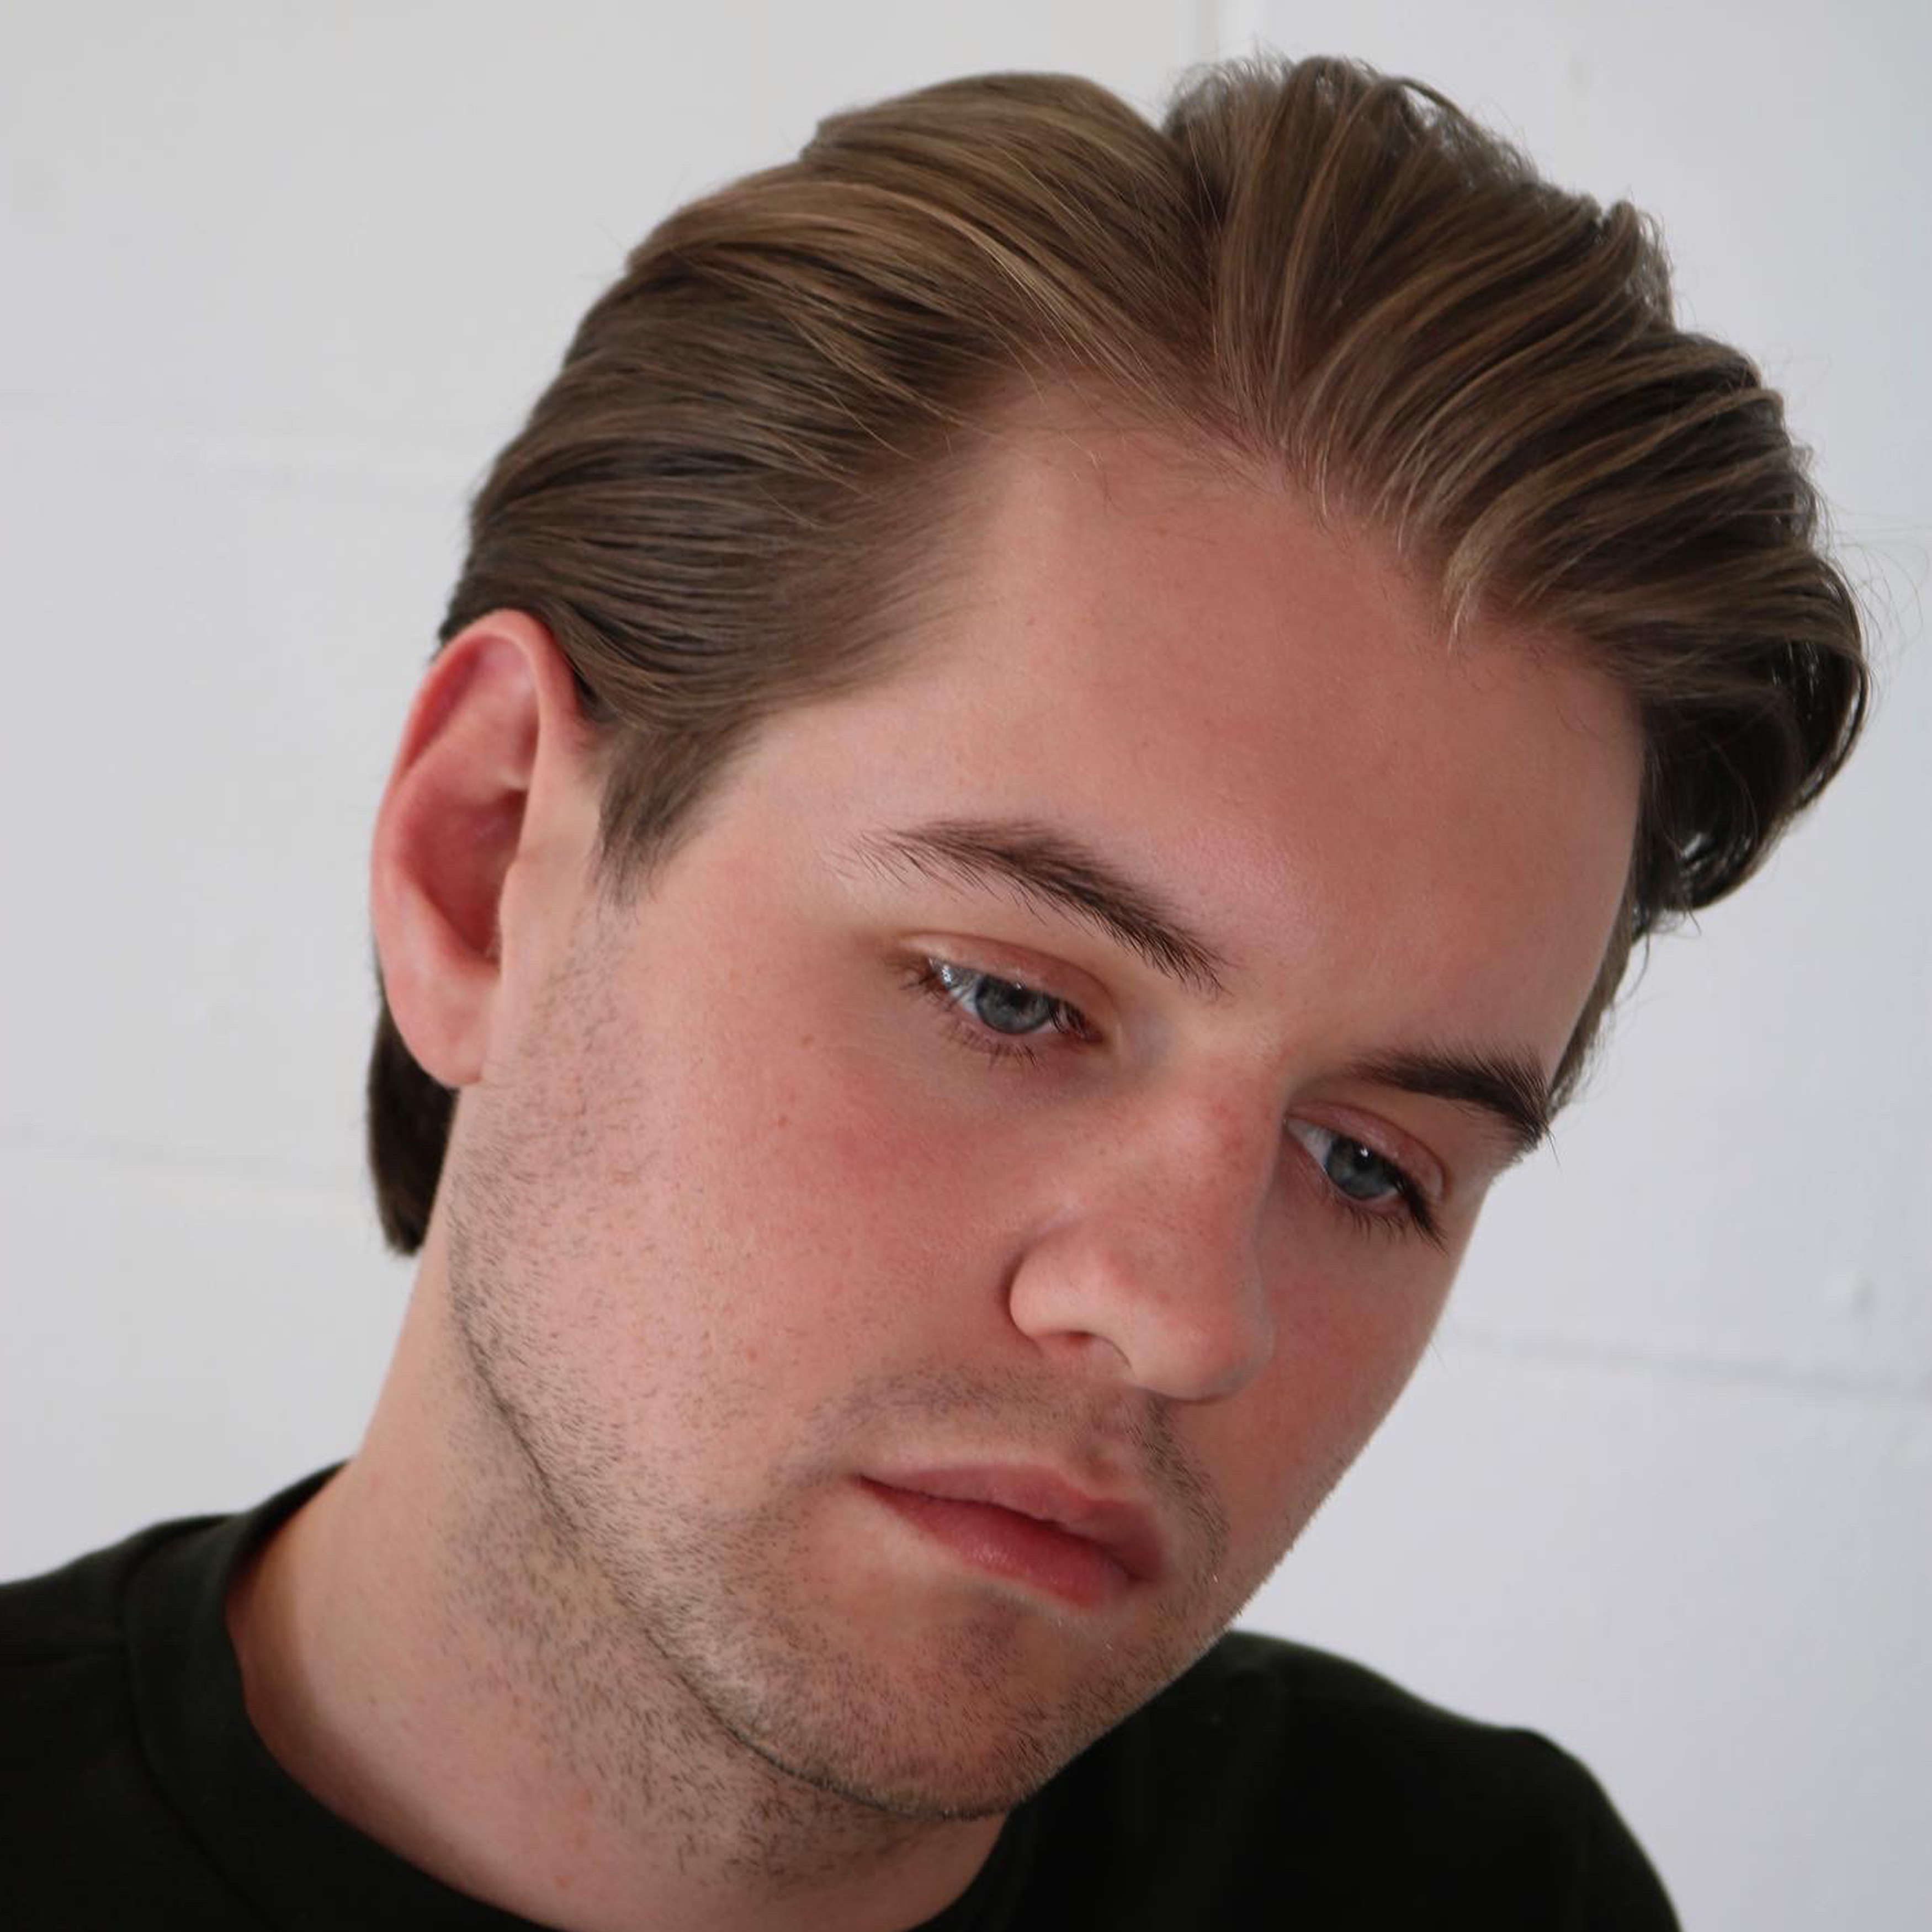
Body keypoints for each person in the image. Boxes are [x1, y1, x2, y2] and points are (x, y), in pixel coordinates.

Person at [1, 52, 1866, 1931]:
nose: (1178, 1317)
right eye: (1004, 997)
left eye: (1369, 1162)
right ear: (487, 870)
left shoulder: (1471, 1893)